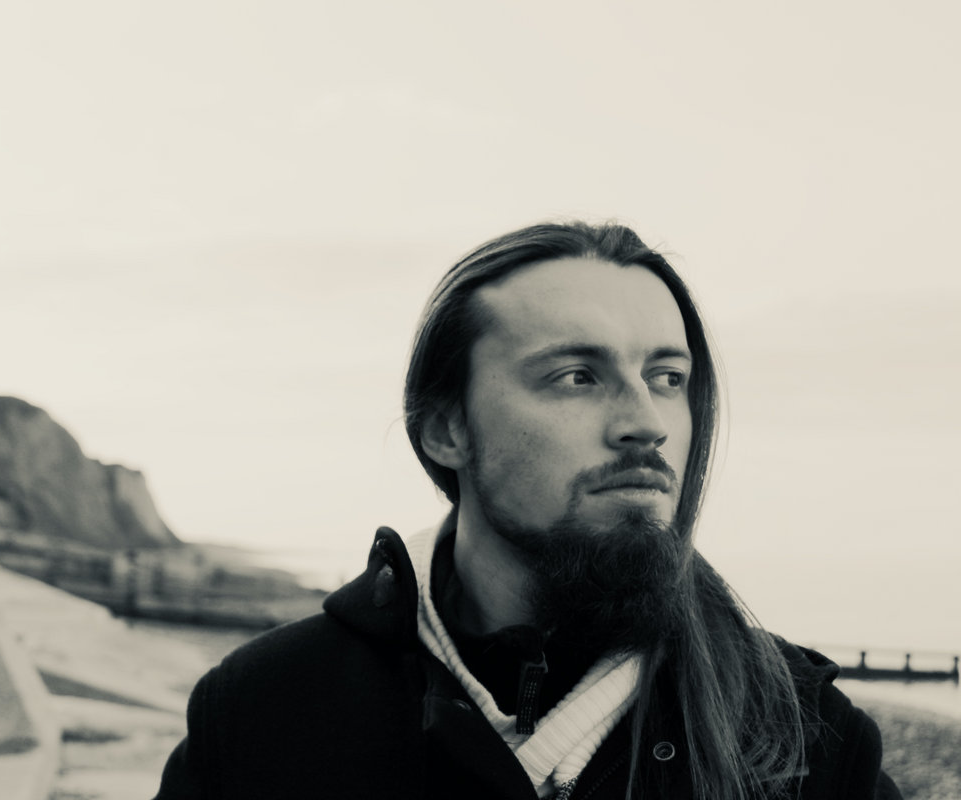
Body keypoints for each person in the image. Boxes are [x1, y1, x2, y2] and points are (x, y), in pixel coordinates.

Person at [153, 222, 901, 799]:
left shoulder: (806, 742)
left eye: (667, 378)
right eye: (577, 376)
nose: (646, 423)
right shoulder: (266, 710)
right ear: (447, 430)